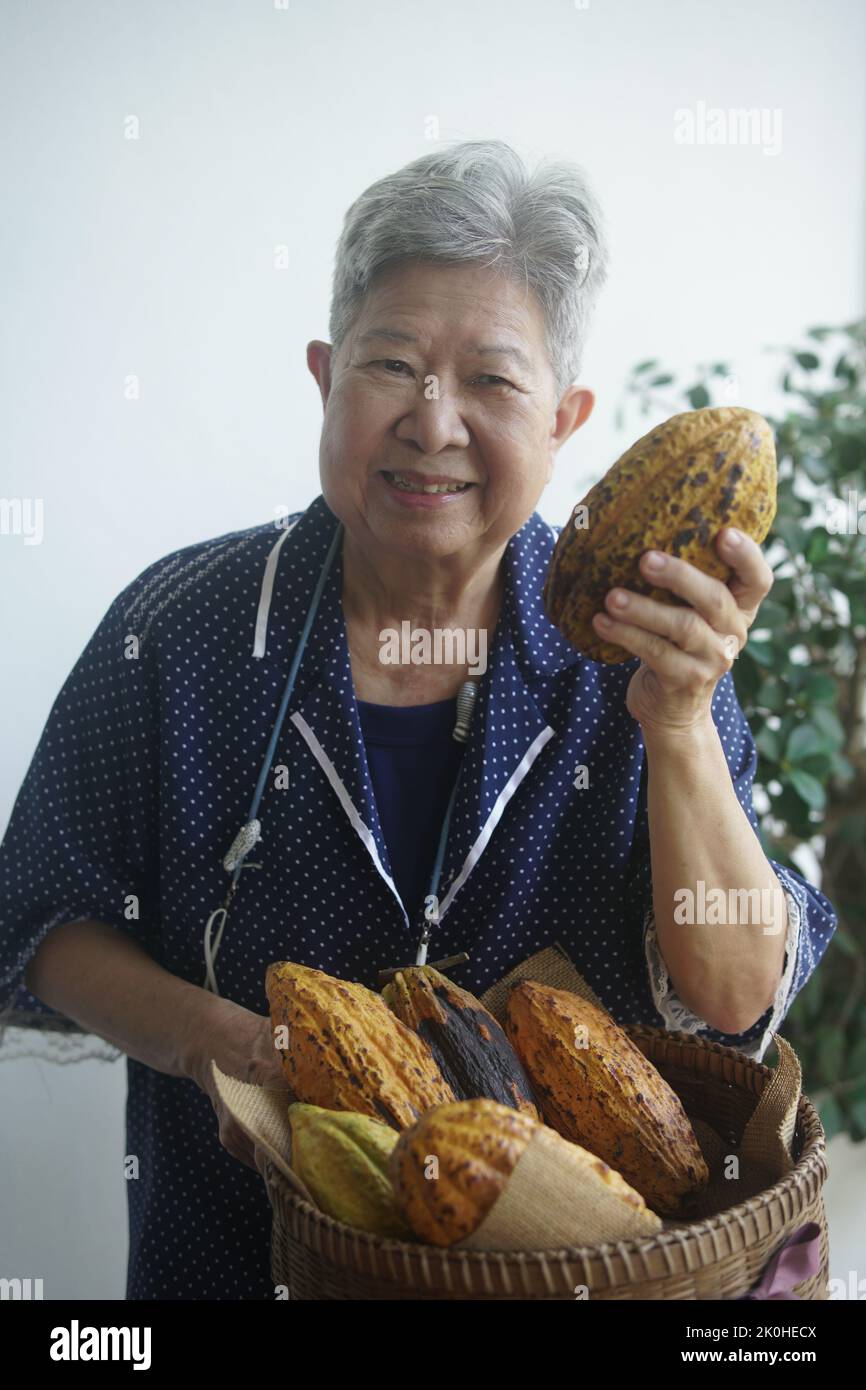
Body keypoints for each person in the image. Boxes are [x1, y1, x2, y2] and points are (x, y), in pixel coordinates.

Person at [0, 139, 837, 1301]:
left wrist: (680, 724)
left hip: (573, 1277)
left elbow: (734, 996)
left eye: (491, 381)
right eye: (390, 364)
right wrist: (229, 1048)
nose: (431, 422)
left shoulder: (642, 649)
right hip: (239, 1266)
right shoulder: (177, 632)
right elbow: (46, 917)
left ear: (564, 419)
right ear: (323, 377)